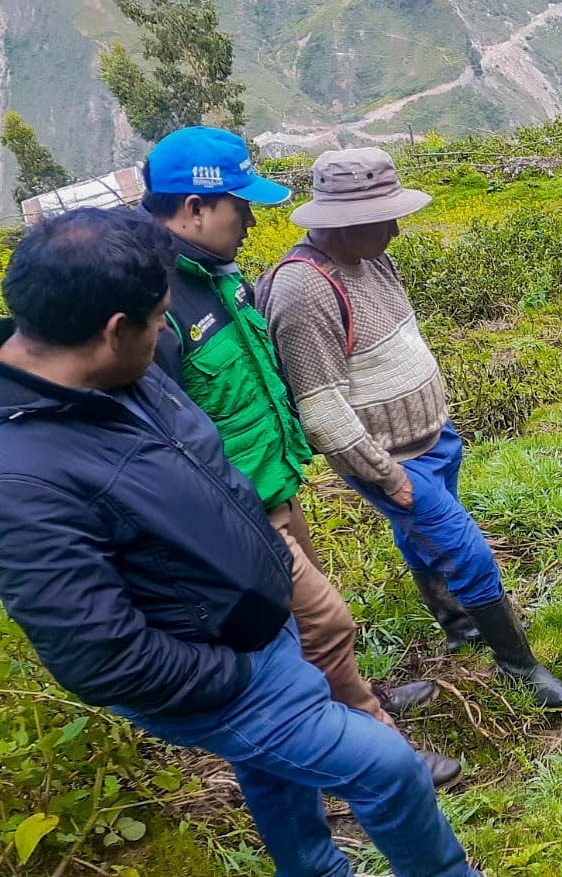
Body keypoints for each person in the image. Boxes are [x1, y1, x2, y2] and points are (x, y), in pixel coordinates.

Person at [0, 208, 479, 877]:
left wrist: (273, 577)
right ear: (114, 330)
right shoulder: (23, 478)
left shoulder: (119, 378)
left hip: (259, 619)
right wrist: (240, 679)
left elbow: (212, 478)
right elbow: (98, 656)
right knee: (387, 767)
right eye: (161, 317)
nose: (168, 328)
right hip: (220, 672)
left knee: (277, 779)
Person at [137, 127, 458, 783]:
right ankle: (381, 749)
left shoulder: (217, 280)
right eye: (238, 205)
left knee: (315, 618)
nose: (252, 220)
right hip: (232, 508)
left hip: (270, 486)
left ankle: (347, 703)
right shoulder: (160, 298)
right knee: (319, 622)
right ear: (194, 208)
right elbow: (162, 429)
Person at [257, 148, 562, 711]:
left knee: (423, 539)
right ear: (344, 221)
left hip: (432, 438)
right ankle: (517, 663)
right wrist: (388, 476)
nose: (397, 229)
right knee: (467, 550)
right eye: (385, 218)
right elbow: (323, 410)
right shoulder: (303, 291)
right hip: (390, 457)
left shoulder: (372, 257)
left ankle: (458, 623)